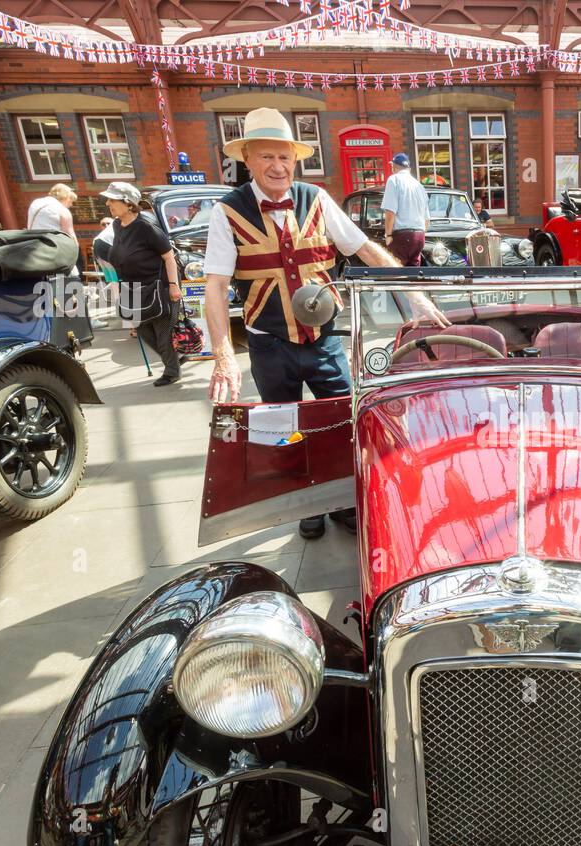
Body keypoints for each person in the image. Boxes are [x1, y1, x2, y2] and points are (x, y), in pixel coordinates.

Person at [203, 108, 448, 541]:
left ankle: (340, 500)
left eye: (285, 157)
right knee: (281, 426)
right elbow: (217, 287)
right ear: (248, 159)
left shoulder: (315, 198)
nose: (278, 167)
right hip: (269, 343)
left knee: (342, 420)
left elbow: (366, 249)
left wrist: (413, 292)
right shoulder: (227, 212)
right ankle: (303, 505)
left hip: (324, 340)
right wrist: (223, 355)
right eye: (266, 157)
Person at [102, 181, 182, 386]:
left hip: (159, 286)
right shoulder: (118, 225)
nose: (108, 203)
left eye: (112, 199)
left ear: (128, 203)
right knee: (143, 330)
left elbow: (169, 257)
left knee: (163, 333)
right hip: (133, 287)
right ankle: (174, 359)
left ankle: (172, 371)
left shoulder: (146, 226)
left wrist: (173, 286)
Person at [381, 152, 429, 267]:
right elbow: (427, 220)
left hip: (402, 236)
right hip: (419, 236)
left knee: (398, 274)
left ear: (394, 166)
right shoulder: (419, 186)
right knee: (414, 276)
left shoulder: (393, 180)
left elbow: (390, 212)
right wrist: (420, 235)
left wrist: (388, 236)